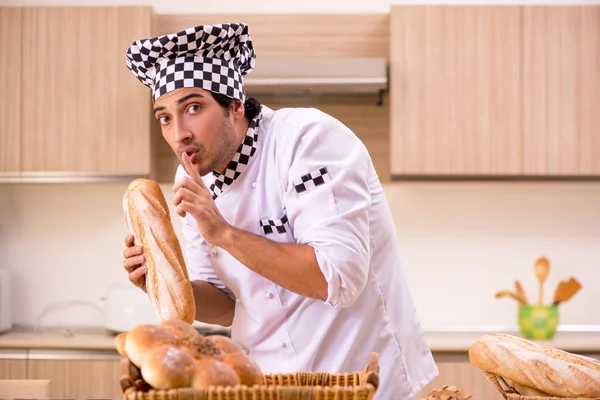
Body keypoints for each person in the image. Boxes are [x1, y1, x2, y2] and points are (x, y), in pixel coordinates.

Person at [121, 23, 438, 399]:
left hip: (359, 381)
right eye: (165, 118)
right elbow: (226, 305)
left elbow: (337, 279)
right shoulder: (193, 179)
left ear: (235, 105)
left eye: (193, 108)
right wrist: (165, 284)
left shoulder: (308, 140)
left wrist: (223, 233)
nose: (179, 134)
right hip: (266, 385)